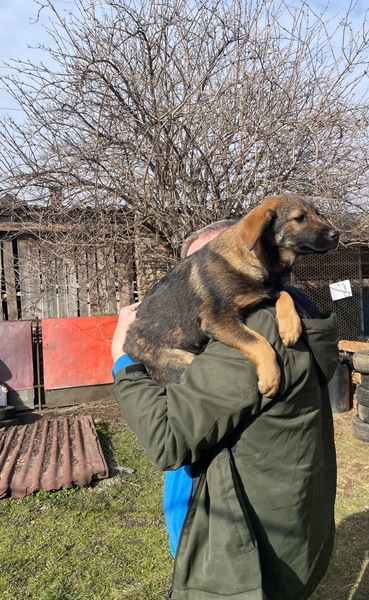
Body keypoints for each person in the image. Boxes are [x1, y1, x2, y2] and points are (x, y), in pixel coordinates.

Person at [111, 220, 339, 600]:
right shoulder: (283, 308)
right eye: (193, 270)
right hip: (283, 523)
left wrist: (123, 361)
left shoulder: (257, 331)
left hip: (242, 553)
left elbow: (168, 439)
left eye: (215, 259)